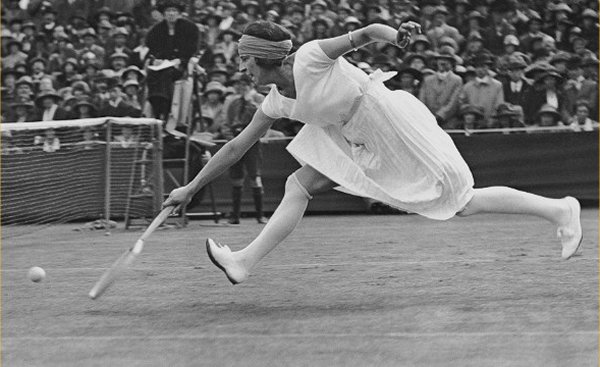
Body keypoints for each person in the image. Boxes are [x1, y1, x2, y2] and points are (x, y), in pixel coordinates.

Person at [163, 21, 583, 286]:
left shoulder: (310, 58)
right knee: (298, 184)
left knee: (462, 202)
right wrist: (191, 186)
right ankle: (243, 262)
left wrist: (396, 35)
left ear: (266, 59)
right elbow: (237, 147)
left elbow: (364, 34)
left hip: (384, 116)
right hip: (346, 132)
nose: (242, 70)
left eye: (246, 62)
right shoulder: (274, 102)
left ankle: (561, 210)